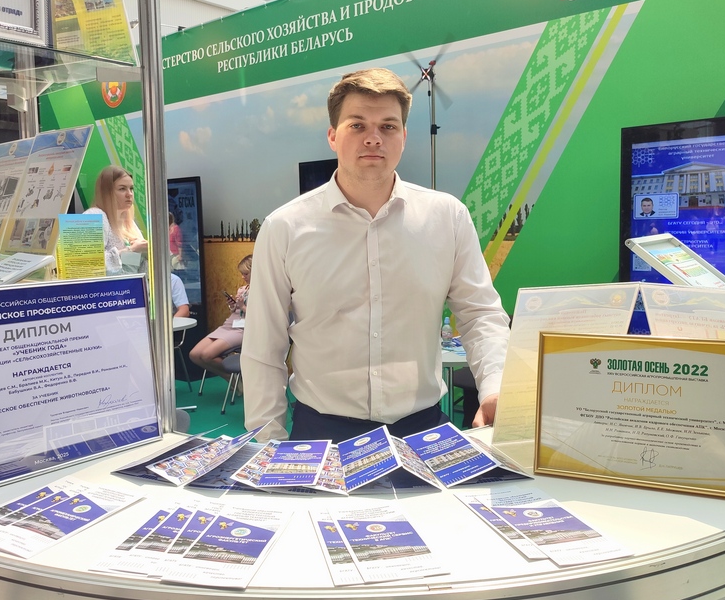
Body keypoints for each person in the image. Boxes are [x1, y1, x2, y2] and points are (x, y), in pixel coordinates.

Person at [241, 68, 511, 443]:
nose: (373, 138)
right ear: (332, 136)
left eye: (388, 126)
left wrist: (495, 387)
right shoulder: (285, 228)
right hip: (321, 432)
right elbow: (263, 345)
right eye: (357, 125)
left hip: (423, 430)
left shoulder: (447, 218)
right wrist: (267, 439)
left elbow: (480, 314)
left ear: (403, 137)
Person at [189, 254, 251, 381]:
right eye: (242, 274)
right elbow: (236, 311)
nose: (242, 277)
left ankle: (239, 379)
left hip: (244, 329)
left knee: (207, 355)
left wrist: (243, 307)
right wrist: (233, 306)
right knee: (194, 354)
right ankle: (230, 378)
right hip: (230, 324)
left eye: (246, 274)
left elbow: (259, 317)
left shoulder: (263, 292)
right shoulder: (242, 289)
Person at [83, 165, 148, 275]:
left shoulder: (129, 222)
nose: (129, 194)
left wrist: (147, 251)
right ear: (107, 192)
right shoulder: (94, 216)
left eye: (131, 188)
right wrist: (131, 250)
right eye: (122, 189)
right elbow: (88, 263)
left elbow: (136, 268)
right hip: (108, 286)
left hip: (131, 284)